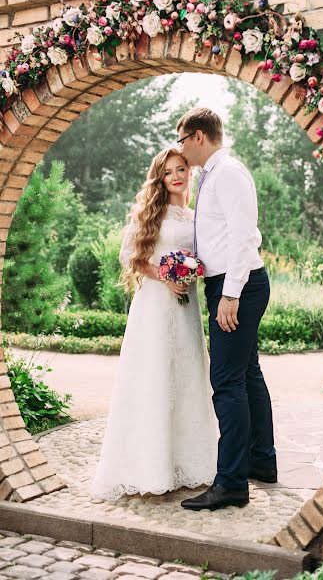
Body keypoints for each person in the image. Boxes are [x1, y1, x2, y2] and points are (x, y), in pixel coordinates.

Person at [90, 147, 217, 501]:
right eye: (168, 172)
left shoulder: (196, 215)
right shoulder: (151, 212)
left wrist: (192, 271)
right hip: (155, 306)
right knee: (154, 377)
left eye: (181, 169)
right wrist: (165, 275)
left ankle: (188, 464)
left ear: (189, 173)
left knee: (188, 375)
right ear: (159, 178)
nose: (177, 176)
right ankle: (149, 466)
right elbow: (130, 256)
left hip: (185, 304)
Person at [177, 108, 277, 512]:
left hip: (238, 285)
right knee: (247, 374)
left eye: (182, 139)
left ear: (199, 136)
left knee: (227, 383)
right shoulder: (213, 175)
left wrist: (230, 295)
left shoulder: (229, 173)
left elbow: (242, 237)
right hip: (230, 283)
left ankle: (231, 482)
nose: (180, 149)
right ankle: (261, 462)